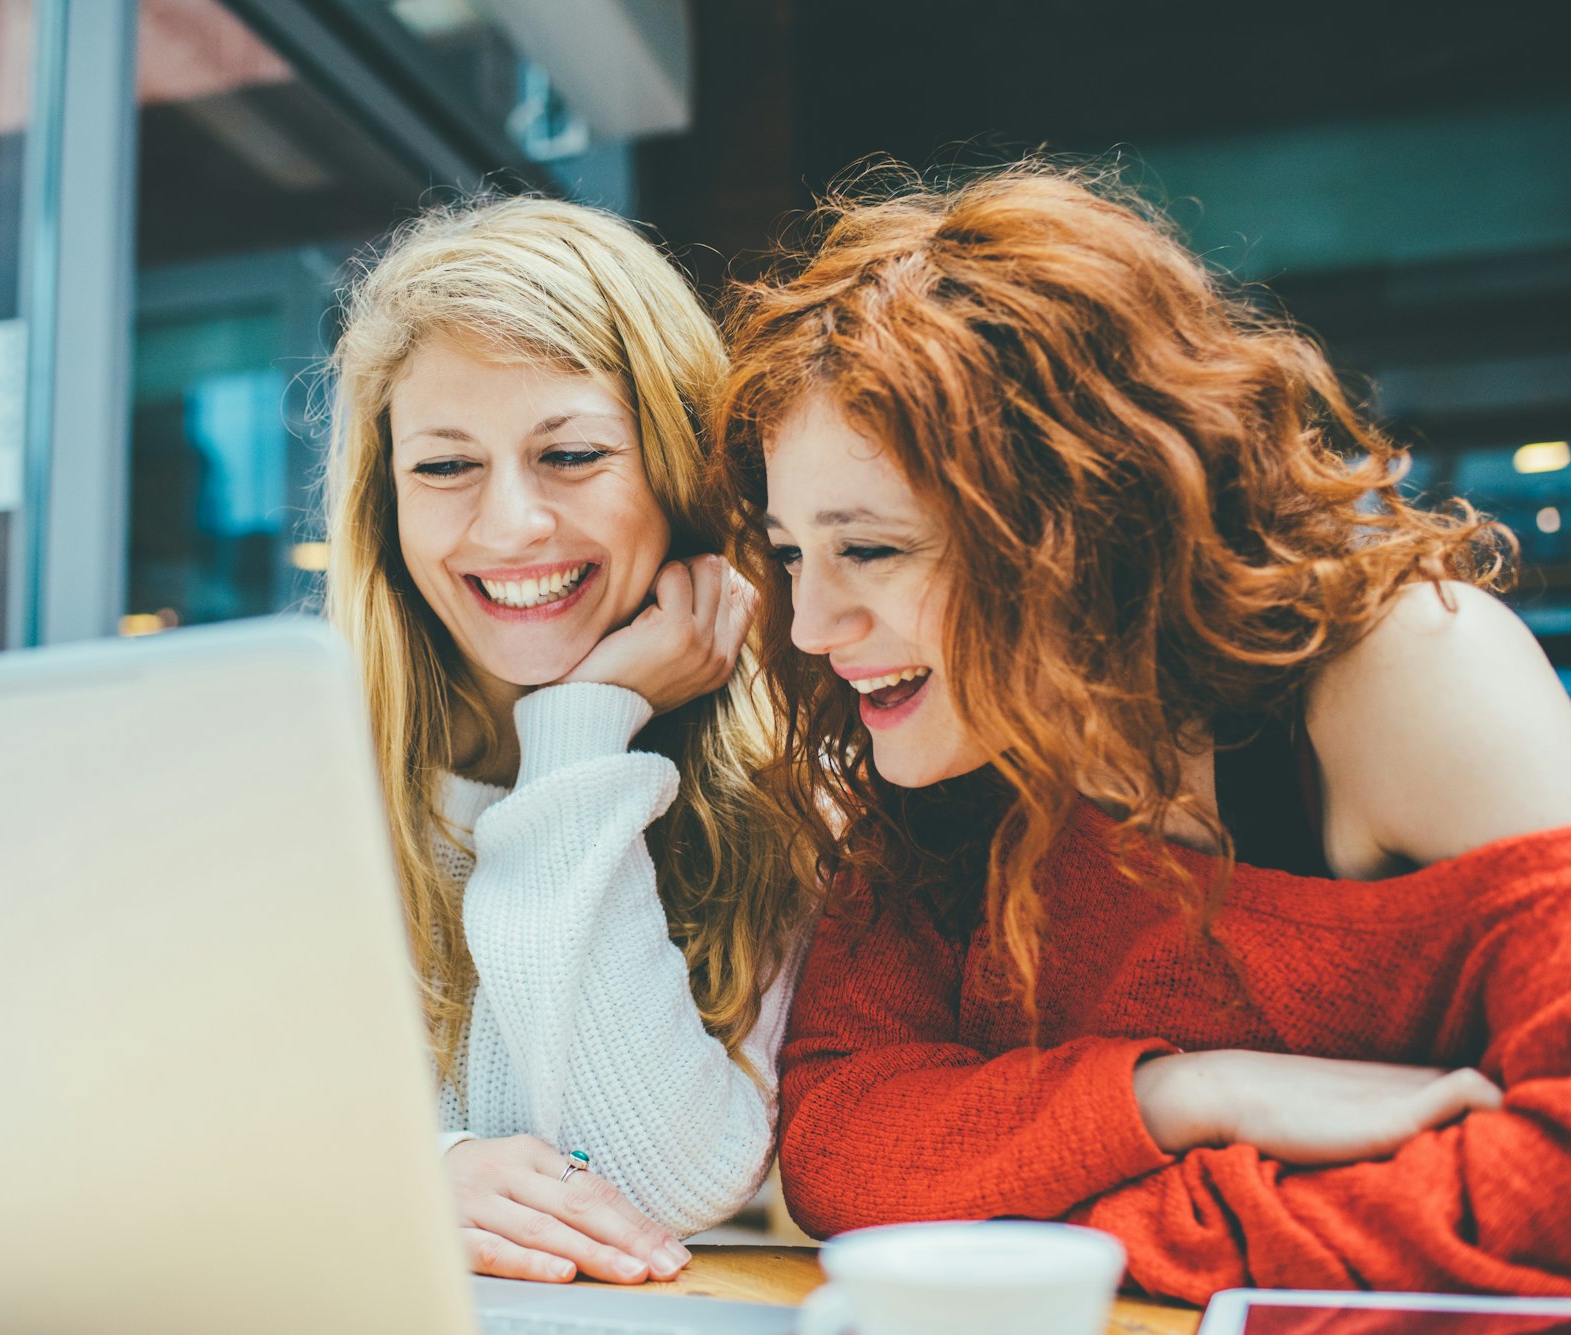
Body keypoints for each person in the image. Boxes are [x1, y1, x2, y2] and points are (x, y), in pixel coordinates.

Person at [712, 162, 1571, 1302]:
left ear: (1082, 521)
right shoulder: (959, 758)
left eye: (868, 549)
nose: (812, 625)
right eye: (787, 554)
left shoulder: (1405, 669)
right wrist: (1183, 1095)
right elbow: (840, 1137)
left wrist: (1088, 1229)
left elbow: (1548, 1191)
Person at [322, 196, 811, 1286]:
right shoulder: (304, 782)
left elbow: (655, 1190)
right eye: (444, 469)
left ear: (677, 472)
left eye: (573, 455)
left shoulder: (796, 789)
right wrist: (413, 1173)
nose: (508, 527)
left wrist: (583, 738)